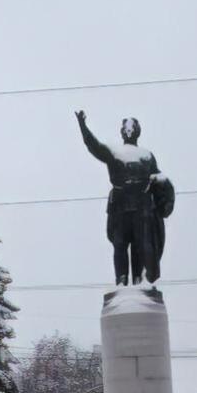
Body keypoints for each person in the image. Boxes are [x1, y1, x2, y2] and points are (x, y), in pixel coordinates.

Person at [75, 109, 173, 286]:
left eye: (132, 129)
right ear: (123, 132)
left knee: (140, 246)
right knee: (120, 245)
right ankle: (121, 280)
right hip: (120, 207)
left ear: (137, 132)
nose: (129, 132)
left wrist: (162, 188)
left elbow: (159, 178)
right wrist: (83, 127)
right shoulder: (115, 152)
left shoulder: (146, 156)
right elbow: (94, 146)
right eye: (127, 129)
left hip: (142, 210)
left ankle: (138, 280)